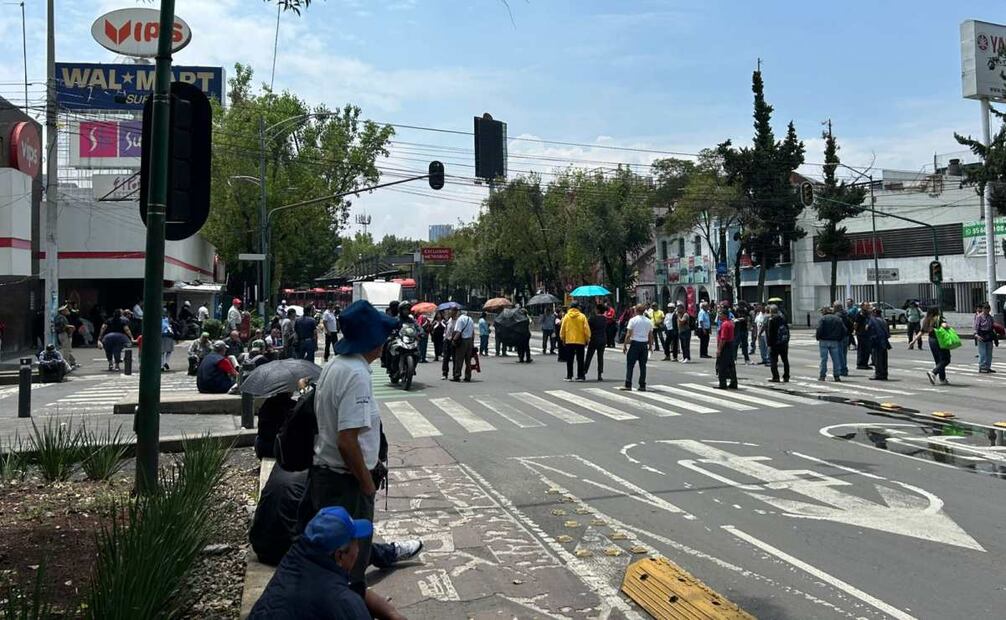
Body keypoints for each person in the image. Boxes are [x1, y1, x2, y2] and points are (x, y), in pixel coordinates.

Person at [305, 300, 404, 619]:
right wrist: (366, 484)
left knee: (333, 569)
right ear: (373, 340)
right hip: (346, 484)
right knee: (350, 571)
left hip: (328, 477)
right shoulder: (356, 374)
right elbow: (347, 442)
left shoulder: (336, 364)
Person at [250, 466, 422, 569]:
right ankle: (390, 552)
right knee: (349, 545)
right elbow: (333, 531)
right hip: (289, 552)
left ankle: (387, 552)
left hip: (260, 544)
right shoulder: (323, 477)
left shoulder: (291, 457)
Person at [249, 507, 377, 620]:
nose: (358, 549)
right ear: (339, 556)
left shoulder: (292, 561)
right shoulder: (344, 602)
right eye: (356, 543)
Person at [910, 307, 951, 385]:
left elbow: (922, 331)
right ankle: (933, 373)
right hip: (939, 340)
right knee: (946, 359)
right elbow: (944, 325)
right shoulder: (939, 318)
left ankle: (942, 379)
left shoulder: (927, 319)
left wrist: (913, 341)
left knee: (938, 361)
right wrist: (947, 327)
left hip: (931, 340)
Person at [620, 304, 652, 392]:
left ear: (636, 310)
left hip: (635, 344)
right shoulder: (648, 321)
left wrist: (625, 345)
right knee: (643, 366)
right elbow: (650, 335)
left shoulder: (633, 320)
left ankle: (628, 384)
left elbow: (628, 334)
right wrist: (650, 346)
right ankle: (642, 385)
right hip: (644, 344)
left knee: (630, 365)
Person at [255, 391, 297, 460]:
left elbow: (261, 430)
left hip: (265, 448)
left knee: (258, 438)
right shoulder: (294, 405)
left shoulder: (267, 403)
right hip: (285, 448)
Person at [559, 302, 590, 381]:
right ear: (578, 307)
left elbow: (562, 328)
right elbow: (586, 329)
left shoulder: (566, 316)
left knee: (569, 359)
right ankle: (580, 376)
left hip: (569, 340)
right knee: (580, 359)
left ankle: (569, 376)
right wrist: (587, 339)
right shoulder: (582, 316)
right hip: (580, 340)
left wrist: (563, 338)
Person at [815, 306, 846, 382]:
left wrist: (818, 337)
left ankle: (822, 375)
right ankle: (837, 375)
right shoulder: (838, 319)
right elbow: (844, 330)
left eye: (822, 311)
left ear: (824, 312)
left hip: (824, 340)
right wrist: (839, 338)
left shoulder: (823, 319)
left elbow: (819, 329)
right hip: (834, 341)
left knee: (823, 359)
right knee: (836, 359)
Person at [765, 304, 789, 382]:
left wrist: (769, 344)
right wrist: (786, 340)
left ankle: (776, 377)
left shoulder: (771, 320)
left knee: (773, 361)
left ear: (771, 311)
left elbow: (770, 333)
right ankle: (786, 376)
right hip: (783, 343)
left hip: (774, 344)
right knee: (785, 360)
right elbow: (787, 330)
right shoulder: (783, 318)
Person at [715, 307, 738, 389]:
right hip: (730, 345)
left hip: (725, 346)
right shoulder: (730, 323)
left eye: (720, 314)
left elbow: (723, 338)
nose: (719, 316)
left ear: (724, 315)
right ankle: (733, 382)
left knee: (722, 366)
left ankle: (722, 384)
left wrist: (719, 349)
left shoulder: (724, 324)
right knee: (731, 365)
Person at [584, 303, 607, 381]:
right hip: (602, 339)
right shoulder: (604, 319)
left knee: (589, 356)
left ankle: (584, 371)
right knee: (600, 357)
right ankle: (599, 374)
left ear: (597, 310)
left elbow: (587, 327)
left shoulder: (592, 318)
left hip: (594, 339)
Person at [450, 310, 475, 382]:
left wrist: (453, 340)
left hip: (463, 341)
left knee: (459, 359)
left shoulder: (460, 319)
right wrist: (472, 342)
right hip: (469, 340)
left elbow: (458, 332)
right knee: (468, 360)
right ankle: (468, 376)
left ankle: (457, 375)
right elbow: (473, 332)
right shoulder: (470, 319)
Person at [867, 307, 891, 380]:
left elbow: (869, 328)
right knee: (884, 359)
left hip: (877, 341)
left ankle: (878, 374)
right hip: (884, 341)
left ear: (874, 313)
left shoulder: (873, 320)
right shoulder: (884, 320)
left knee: (877, 359)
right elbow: (888, 333)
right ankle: (884, 374)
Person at [974, 302, 995, 373]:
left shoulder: (990, 317)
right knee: (982, 353)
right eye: (985, 308)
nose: (987, 310)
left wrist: (994, 336)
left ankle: (988, 367)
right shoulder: (979, 317)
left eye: (988, 309)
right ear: (983, 309)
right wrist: (976, 335)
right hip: (981, 335)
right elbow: (976, 327)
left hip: (989, 335)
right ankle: (982, 367)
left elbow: (992, 327)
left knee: (989, 353)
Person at [834, 301, 853, 377]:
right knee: (844, 354)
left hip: (840, 336)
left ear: (837, 307)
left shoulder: (837, 315)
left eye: (834, 306)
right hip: (846, 335)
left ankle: (843, 369)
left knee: (839, 354)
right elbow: (851, 324)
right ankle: (844, 368)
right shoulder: (846, 314)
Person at [854, 302, 873, 369]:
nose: (867, 307)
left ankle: (865, 363)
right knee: (861, 349)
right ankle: (860, 364)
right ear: (862, 306)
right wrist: (856, 331)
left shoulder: (868, 314)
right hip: (861, 334)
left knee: (867, 350)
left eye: (868, 305)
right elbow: (856, 324)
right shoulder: (859, 314)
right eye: (866, 306)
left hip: (867, 334)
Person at [733, 300, 751, 365]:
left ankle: (747, 359)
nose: (743, 307)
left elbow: (747, 318)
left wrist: (745, 319)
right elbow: (733, 319)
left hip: (744, 329)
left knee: (745, 345)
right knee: (735, 345)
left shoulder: (745, 311)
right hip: (737, 330)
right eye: (742, 305)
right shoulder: (736, 311)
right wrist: (738, 319)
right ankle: (734, 358)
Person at [441, 310, 456, 379]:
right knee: (446, 358)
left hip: (453, 340)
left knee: (455, 358)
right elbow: (446, 330)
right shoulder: (448, 321)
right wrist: (444, 337)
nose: (450, 313)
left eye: (452, 312)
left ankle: (455, 373)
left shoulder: (457, 321)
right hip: (447, 340)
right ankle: (444, 373)